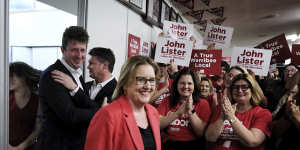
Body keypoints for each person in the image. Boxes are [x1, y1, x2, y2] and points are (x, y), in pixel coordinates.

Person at [37, 26, 98, 150]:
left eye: (83, 50)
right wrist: (99, 112)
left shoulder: (77, 73)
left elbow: (85, 105)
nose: (79, 55)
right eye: (74, 50)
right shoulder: (53, 75)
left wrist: (75, 88)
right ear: (62, 50)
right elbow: (71, 116)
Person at [84, 56, 161, 150]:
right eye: (140, 79)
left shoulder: (153, 112)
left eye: (151, 80)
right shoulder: (107, 115)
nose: (148, 86)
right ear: (125, 84)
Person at [205, 73, 272, 150]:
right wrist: (222, 117)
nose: (239, 90)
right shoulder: (223, 109)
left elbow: (252, 141)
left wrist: (231, 117)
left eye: (244, 87)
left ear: (252, 90)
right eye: (236, 87)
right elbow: (209, 138)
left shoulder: (263, 113)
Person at [157, 68, 211, 150]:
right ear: (176, 85)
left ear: (194, 85)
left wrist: (190, 111)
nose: (186, 87)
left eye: (189, 83)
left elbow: (200, 133)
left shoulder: (203, 103)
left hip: (192, 145)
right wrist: (177, 114)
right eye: (182, 83)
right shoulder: (167, 100)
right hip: (169, 144)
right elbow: (158, 125)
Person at [9, 62, 41, 150]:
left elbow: (38, 128)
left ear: (24, 77)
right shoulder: (4, 98)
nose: (9, 79)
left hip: (28, 147)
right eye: (8, 76)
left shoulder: (37, 100)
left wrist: (21, 147)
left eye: (13, 76)